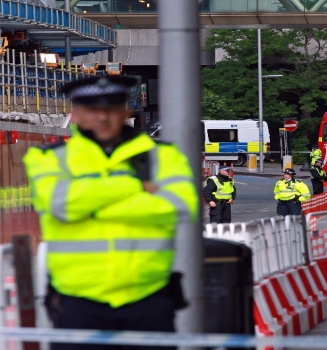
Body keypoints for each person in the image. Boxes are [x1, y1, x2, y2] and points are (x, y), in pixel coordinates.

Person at [23, 76, 198, 350]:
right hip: (78, 301)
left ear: (126, 112)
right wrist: (134, 186)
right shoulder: (48, 157)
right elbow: (62, 205)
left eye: (111, 108)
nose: (102, 116)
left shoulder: (164, 155)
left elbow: (181, 207)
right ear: (76, 114)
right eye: (92, 109)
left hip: (149, 298)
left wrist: (91, 207)